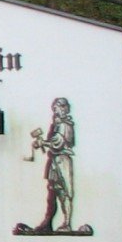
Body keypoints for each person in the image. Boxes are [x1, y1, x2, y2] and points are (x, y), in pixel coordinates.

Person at [30, 97, 75, 233]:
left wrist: (43, 143)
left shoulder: (65, 124)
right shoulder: (57, 124)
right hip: (55, 159)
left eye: (56, 109)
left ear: (63, 108)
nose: (54, 112)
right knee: (53, 190)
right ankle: (48, 221)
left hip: (62, 159)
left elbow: (58, 141)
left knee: (64, 191)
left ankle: (67, 223)